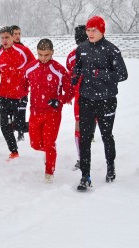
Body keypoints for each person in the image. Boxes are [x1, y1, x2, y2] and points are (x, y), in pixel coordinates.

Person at [72, 16, 128, 191]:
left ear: (102, 31)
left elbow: (123, 75)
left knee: (106, 135)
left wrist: (100, 73)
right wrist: (75, 76)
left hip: (106, 100)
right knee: (85, 138)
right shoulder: (81, 49)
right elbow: (78, 67)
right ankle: (85, 176)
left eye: (93, 30)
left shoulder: (112, 50)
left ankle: (110, 166)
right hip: (87, 99)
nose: (90, 33)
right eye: (88, 30)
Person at [22, 39, 74, 183]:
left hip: (52, 113)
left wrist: (60, 100)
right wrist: (21, 97)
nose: (43, 58)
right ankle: (48, 151)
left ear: (52, 53)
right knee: (35, 144)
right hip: (35, 112)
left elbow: (70, 91)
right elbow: (23, 85)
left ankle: (49, 172)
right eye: (40, 55)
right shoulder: (30, 68)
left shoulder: (59, 70)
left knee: (49, 144)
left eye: (46, 55)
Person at [0, 26, 35, 160]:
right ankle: (14, 151)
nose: (4, 41)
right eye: (2, 38)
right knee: (4, 125)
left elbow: (34, 67)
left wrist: (33, 84)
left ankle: (38, 128)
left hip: (20, 95)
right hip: (4, 95)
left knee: (19, 125)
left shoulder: (23, 51)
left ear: (13, 38)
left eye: (7, 38)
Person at [66, 25, 89, 171]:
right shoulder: (71, 57)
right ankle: (82, 159)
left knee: (87, 129)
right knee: (79, 129)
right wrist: (69, 94)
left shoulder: (97, 53)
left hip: (97, 98)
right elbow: (70, 78)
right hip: (80, 99)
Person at [11, 25, 34, 141]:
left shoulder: (24, 49)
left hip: (22, 85)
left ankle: (21, 132)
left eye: (19, 33)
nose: (17, 36)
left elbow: (34, 63)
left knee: (21, 109)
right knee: (11, 111)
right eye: (15, 33)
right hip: (9, 86)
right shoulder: (4, 48)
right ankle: (13, 127)